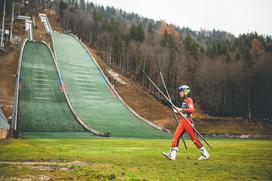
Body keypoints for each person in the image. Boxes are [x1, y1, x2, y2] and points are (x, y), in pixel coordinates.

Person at [162, 85, 209, 161]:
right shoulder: (184, 101)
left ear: (185, 92)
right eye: (180, 92)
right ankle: (172, 155)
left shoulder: (189, 100)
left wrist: (180, 109)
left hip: (188, 122)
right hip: (183, 122)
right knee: (175, 136)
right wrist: (177, 111)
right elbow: (184, 112)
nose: (180, 93)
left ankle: (205, 153)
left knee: (194, 139)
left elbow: (191, 110)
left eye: (181, 92)